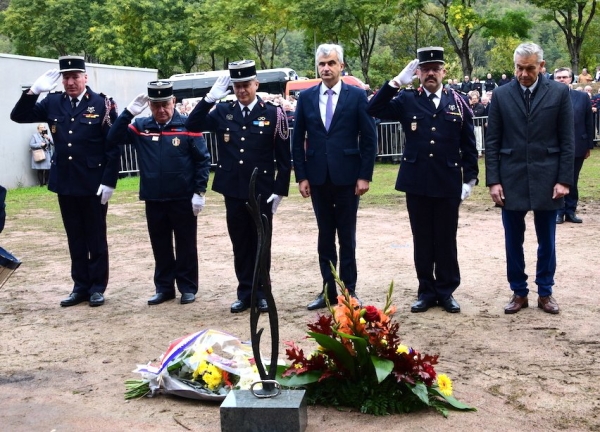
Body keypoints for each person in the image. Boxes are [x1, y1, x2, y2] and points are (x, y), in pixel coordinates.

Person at [367, 46, 478, 314]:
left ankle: (447, 291)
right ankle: (426, 291)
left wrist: (470, 178)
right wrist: (395, 82)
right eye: (425, 69)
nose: (431, 73)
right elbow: (373, 108)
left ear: (444, 71)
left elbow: (469, 143)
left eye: (435, 68)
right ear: (417, 73)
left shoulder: (458, 102)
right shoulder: (406, 99)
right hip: (417, 182)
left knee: (446, 238)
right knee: (423, 239)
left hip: (448, 181)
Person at [10, 56, 120, 307]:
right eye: (66, 78)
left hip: (93, 183)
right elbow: (18, 116)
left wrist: (110, 181)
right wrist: (33, 92)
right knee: (75, 236)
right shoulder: (53, 102)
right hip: (66, 181)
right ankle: (80, 286)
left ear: (85, 78)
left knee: (95, 235)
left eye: (75, 77)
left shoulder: (102, 104)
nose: (70, 82)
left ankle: (97, 287)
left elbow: (112, 146)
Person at [185, 60, 291, 314]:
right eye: (237, 86)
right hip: (233, 188)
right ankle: (245, 292)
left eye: (246, 85)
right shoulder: (223, 111)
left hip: (262, 190)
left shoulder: (273, 113)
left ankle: (262, 292)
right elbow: (192, 124)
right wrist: (210, 98)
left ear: (256, 84)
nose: (242, 90)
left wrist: (280, 190)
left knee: (261, 242)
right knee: (240, 243)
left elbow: (284, 157)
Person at [485, 42, 574, 315]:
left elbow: (567, 141)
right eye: (519, 68)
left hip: (548, 178)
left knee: (547, 239)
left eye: (530, 68)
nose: (524, 74)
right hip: (510, 177)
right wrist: (494, 181)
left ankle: (545, 292)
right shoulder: (501, 95)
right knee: (513, 239)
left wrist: (564, 180)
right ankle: (519, 291)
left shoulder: (559, 93)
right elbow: (492, 141)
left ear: (542, 66)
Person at [107, 81, 211, 305]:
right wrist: (127, 113)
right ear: (150, 106)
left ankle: (187, 287)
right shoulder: (141, 126)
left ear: (173, 101)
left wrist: (199, 191)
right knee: (160, 245)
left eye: (165, 104)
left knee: (186, 244)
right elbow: (112, 138)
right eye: (156, 106)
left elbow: (202, 160)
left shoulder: (187, 124)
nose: (161, 110)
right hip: (154, 197)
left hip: (183, 197)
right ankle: (164, 288)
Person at [292, 43, 377, 311]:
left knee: (347, 236)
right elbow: (297, 141)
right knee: (325, 235)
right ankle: (328, 289)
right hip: (318, 178)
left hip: (349, 178)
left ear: (341, 65)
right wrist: (301, 176)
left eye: (331, 63)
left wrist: (365, 175)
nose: (326, 68)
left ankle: (349, 291)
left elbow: (370, 138)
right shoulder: (306, 98)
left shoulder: (356, 96)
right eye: (322, 64)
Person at [553, 68, 594, 224]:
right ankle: (559, 211)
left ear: (571, 79)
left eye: (565, 77)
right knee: (557, 179)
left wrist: (588, 145)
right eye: (559, 77)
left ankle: (570, 210)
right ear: (554, 79)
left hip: (578, 145)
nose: (562, 79)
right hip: (555, 147)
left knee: (572, 180)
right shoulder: (549, 98)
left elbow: (588, 122)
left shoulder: (582, 97)